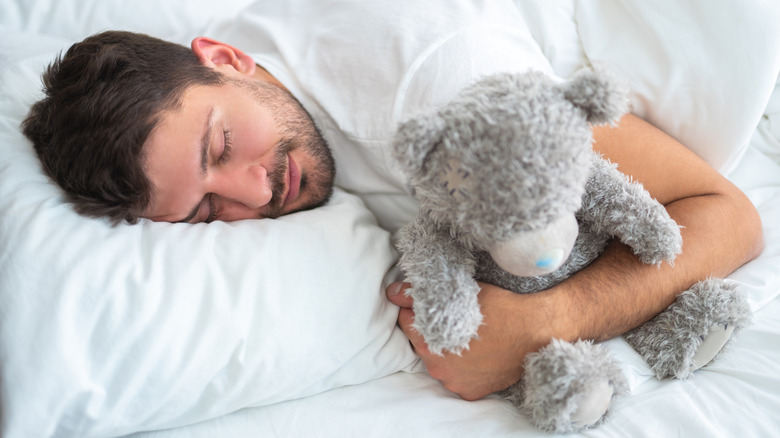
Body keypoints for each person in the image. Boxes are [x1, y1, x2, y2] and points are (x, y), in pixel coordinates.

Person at [22, 2, 764, 404]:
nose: (254, 191)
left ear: (225, 58)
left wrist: (546, 322)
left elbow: (725, 211)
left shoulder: (438, 82)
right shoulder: (249, 101)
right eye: (208, 213)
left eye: (220, 149)